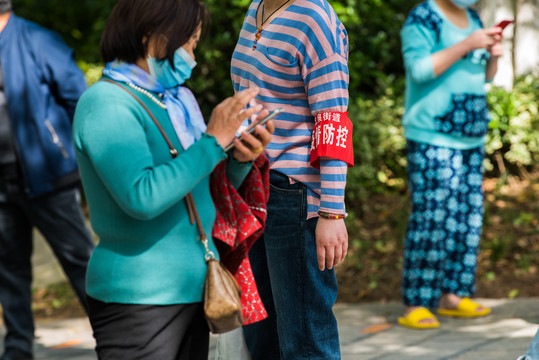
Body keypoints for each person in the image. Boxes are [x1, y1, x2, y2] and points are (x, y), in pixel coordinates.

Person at [71, 0, 274, 358]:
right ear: (152, 36)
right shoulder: (106, 103)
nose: (192, 55)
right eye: (189, 43)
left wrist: (241, 157)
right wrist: (213, 142)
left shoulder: (175, 101)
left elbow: (197, 185)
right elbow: (141, 196)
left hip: (192, 288)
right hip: (138, 297)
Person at [229, 0, 353, 358]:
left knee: (305, 339)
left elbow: (332, 120)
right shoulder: (257, 7)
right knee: (260, 334)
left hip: (294, 195)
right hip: (252, 184)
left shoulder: (315, 18)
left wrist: (331, 212)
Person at [397, 0, 504, 329]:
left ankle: (453, 295)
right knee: (431, 219)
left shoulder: (472, 16)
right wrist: (467, 44)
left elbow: (481, 74)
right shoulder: (424, 17)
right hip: (432, 136)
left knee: (466, 220)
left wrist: (494, 58)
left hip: (471, 136)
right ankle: (417, 301)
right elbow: (419, 69)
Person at [0, 1, 95, 359]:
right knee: (9, 269)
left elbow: (79, 101)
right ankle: (17, 348)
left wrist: (68, 154)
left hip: (48, 177)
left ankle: (111, 330)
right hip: (2, 184)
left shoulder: (36, 40)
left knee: (80, 261)